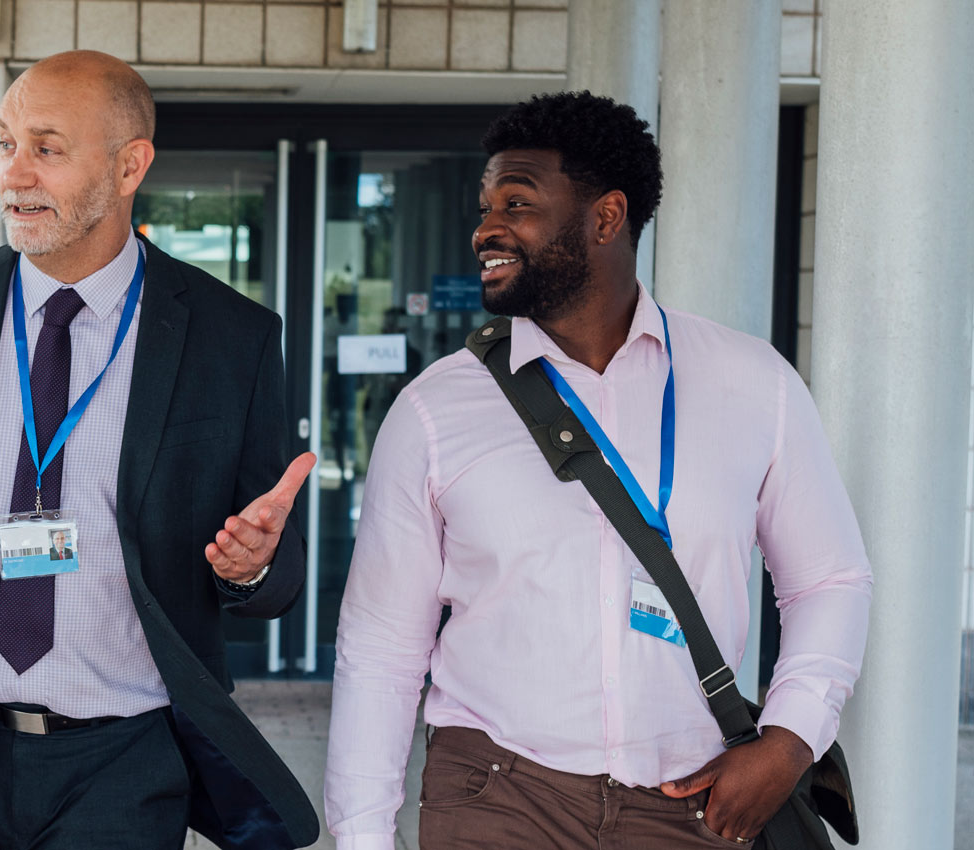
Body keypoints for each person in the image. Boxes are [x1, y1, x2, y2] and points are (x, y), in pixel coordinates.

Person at [323, 91, 872, 849]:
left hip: (695, 803)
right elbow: (380, 647)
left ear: (606, 217)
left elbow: (828, 580)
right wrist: (359, 837)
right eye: (485, 204)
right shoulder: (432, 411)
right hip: (495, 794)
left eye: (516, 203)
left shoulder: (753, 384)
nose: (486, 227)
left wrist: (789, 739)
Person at [0, 50, 321, 850]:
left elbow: (273, 568)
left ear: (130, 166)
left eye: (46, 149)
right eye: (4, 143)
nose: (12, 175)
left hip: (125, 762)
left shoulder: (232, 337)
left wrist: (251, 564)